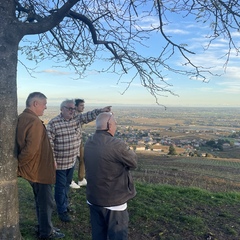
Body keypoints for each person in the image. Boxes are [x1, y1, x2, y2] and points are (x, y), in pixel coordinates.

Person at [47, 99, 111, 222]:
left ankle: (63, 205)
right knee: (60, 187)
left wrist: (101, 111)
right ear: (62, 109)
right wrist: (53, 161)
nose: (72, 111)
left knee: (66, 185)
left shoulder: (77, 119)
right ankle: (62, 211)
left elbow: (88, 116)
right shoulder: (53, 123)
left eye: (73, 109)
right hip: (59, 164)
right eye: (69, 108)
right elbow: (49, 144)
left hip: (71, 161)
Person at [16, 92, 65, 239]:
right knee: (46, 204)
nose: (46, 107)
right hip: (38, 172)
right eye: (44, 104)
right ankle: (46, 233)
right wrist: (19, 165)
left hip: (35, 169)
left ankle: (45, 227)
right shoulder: (34, 121)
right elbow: (30, 149)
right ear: (35, 104)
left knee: (41, 202)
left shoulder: (22, 118)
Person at [84, 112, 137, 240]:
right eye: (115, 123)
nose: (116, 126)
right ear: (109, 125)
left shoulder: (89, 142)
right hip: (114, 200)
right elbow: (133, 162)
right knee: (118, 235)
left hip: (94, 198)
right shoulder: (117, 145)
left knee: (98, 234)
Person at [70, 99, 87, 189]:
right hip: (72, 142)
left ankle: (81, 179)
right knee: (71, 161)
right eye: (81, 105)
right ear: (75, 106)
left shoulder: (79, 115)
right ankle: (70, 180)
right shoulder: (73, 116)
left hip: (79, 141)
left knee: (82, 159)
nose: (83, 107)